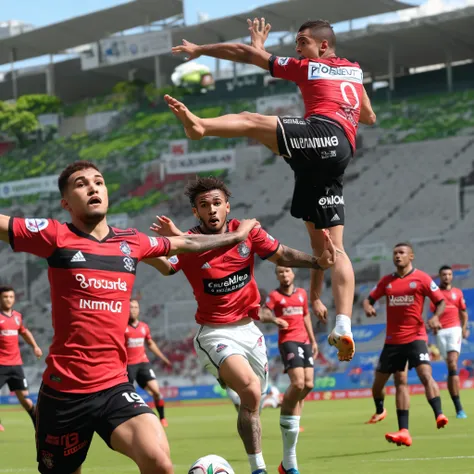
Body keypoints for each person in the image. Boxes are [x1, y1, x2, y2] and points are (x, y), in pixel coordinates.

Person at [0, 160, 260, 474]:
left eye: (98, 181)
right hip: (64, 392)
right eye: (81, 184)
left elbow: (187, 243)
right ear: (65, 202)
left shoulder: (131, 242)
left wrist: (236, 237)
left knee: (159, 461)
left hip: (114, 386)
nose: (93, 186)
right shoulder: (54, 235)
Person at [167, 18, 378, 362]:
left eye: (303, 42)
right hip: (336, 155)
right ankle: (343, 324)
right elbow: (367, 116)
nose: (297, 49)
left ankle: (201, 128)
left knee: (252, 120)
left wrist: (200, 49)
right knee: (329, 247)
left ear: (323, 46)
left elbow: (244, 55)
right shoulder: (353, 71)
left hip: (320, 135)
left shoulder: (309, 67)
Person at [147, 176, 336, 474]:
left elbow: (281, 254)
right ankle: (257, 469)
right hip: (214, 334)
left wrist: (318, 262)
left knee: (254, 401)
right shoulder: (188, 242)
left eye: (217, 203)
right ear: (196, 212)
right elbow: (170, 267)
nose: (211, 210)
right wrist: (147, 254)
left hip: (250, 331)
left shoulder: (247, 233)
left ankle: (288, 464)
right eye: (204, 205)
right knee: (249, 390)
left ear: (227, 206)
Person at [362, 243, 448, 447]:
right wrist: (368, 308)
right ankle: (385, 413)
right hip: (393, 341)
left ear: (411, 256)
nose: (397, 256)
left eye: (401, 253)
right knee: (379, 385)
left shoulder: (422, 279)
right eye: (395, 253)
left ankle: (439, 414)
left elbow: (441, 301)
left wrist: (435, 317)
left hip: (416, 336)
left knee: (425, 374)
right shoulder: (387, 281)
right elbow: (368, 300)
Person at [260, 266, 317, 474]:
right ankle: (282, 404)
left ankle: (293, 415)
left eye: (288, 271)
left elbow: (306, 316)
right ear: (277, 276)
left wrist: (312, 339)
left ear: (293, 274)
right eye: (280, 272)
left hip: (304, 341)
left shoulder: (302, 294)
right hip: (288, 342)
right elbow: (262, 312)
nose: (285, 275)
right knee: (299, 384)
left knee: (309, 384)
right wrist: (275, 319)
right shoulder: (275, 296)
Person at [0, 285, 42, 432]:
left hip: (16, 365)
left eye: (11, 297)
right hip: (1, 364)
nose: (8, 299)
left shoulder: (17, 317)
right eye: (5, 297)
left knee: (25, 399)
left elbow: (24, 332)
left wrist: (35, 346)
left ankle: (38, 424)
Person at [126, 299, 172, 427]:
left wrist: (164, 359)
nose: (133, 310)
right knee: (128, 396)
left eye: (135, 307)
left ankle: (162, 418)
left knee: (156, 392)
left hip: (143, 363)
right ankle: (131, 421)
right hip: (128, 366)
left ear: (139, 309)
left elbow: (150, 344)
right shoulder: (122, 327)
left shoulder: (144, 327)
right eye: (130, 307)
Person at [431, 265, 469, 418]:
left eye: (449, 274)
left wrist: (464, 328)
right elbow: (434, 313)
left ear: (452, 276)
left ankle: (459, 408)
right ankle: (457, 405)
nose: (447, 277)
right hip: (441, 332)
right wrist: (434, 325)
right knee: (450, 366)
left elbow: (464, 313)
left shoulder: (457, 293)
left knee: (453, 362)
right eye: (444, 274)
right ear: (440, 276)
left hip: (454, 329)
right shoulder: (435, 294)